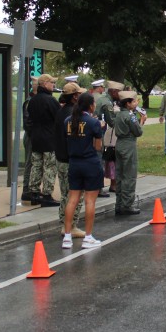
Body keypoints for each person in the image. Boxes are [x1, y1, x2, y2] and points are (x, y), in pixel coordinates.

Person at [62, 92, 105, 249]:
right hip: (90, 162)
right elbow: (98, 146)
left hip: (74, 162)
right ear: (91, 106)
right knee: (89, 201)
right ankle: (88, 237)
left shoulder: (68, 120)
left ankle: (67, 236)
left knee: (72, 199)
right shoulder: (93, 122)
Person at [54, 82, 86, 239]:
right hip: (70, 159)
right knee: (75, 195)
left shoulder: (60, 111)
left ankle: (64, 223)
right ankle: (70, 225)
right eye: (79, 94)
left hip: (60, 157)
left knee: (65, 194)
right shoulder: (73, 115)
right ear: (74, 97)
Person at [27, 74, 61, 208]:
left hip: (36, 138)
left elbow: (29, 120)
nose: (53, 85)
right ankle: (47, 195)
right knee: (49, 167)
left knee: (36, 166)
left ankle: (34, 193)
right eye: (52, 82)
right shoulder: (50, 100)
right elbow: (58, 118)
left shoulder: (33, 100)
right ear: (45, 84)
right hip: (49, 138)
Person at [114, 90, 147, 215]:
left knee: (120, 175)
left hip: (119, 144)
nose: (136, 103)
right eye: (134, 101)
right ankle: (127, 204)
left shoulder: (119, 114)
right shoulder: (130, 115)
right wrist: (142, 121)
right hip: (128, 144)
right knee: (129, 175)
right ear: (127, 103)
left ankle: (119, 203)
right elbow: (138, 132)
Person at [98, 80, 122, 196]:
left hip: (97, 131)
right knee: (100, 161)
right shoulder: (107, 103)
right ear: (114, 92)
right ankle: (98, 188)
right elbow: (112, 122)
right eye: (119, 92)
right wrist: (121, 115)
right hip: (99, 133)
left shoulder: (103, 99)